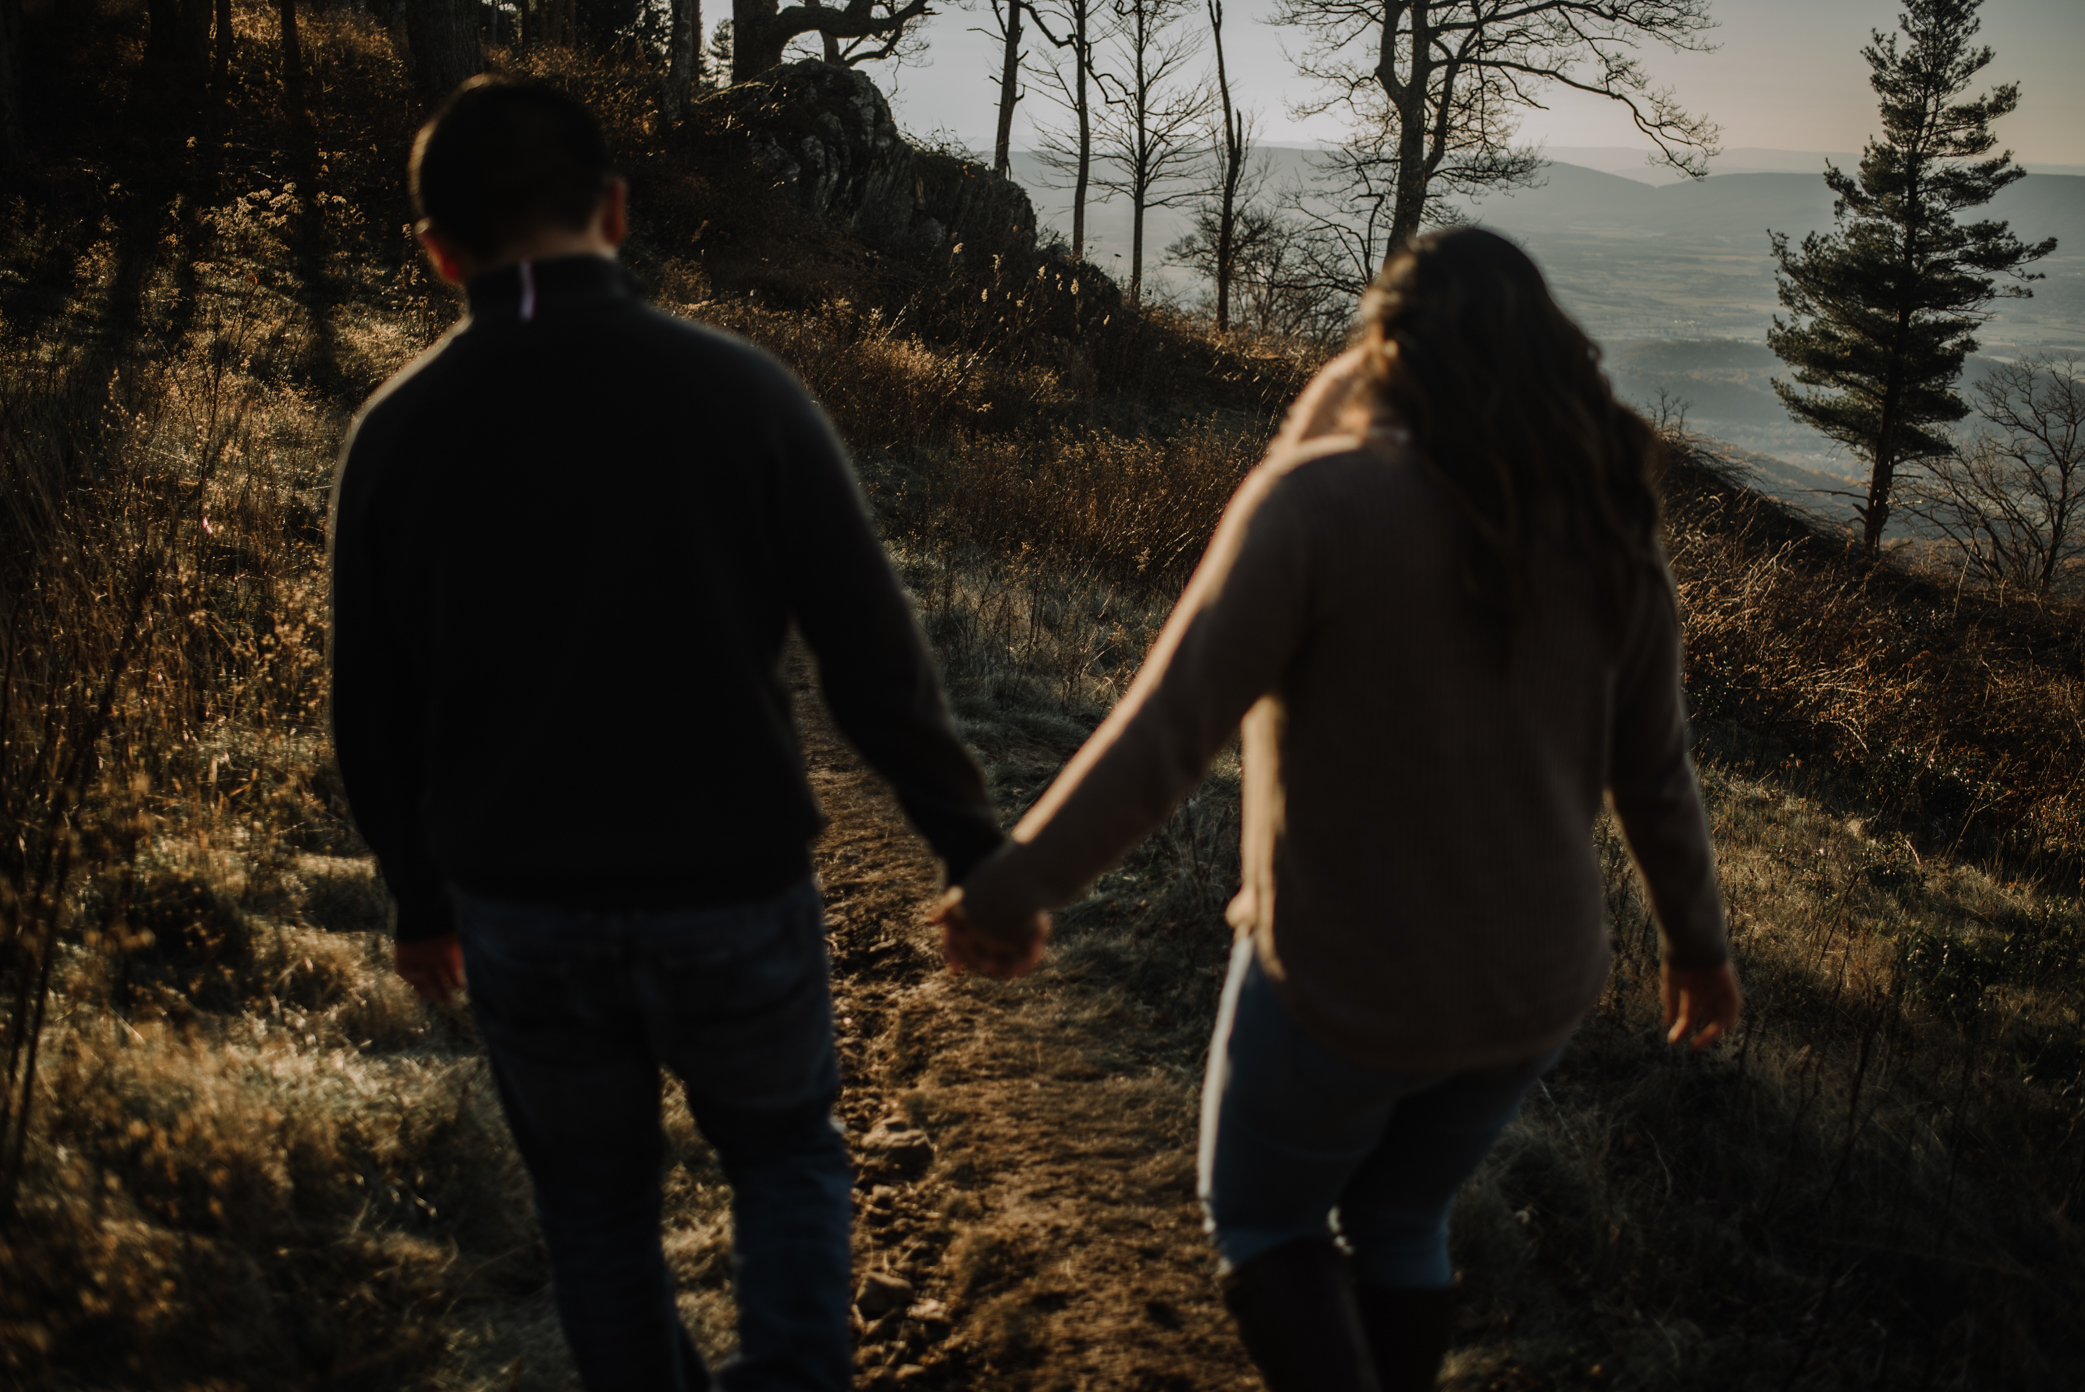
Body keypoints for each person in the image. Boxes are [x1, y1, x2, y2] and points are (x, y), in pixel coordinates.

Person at [936, 227, 1741, 1391]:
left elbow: (1170, 733)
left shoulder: (1318, 505)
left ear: (1386, 349)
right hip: (1532, 994)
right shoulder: (1611, 531)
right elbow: (1656, 776)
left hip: (1342, 983)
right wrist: (1699, 949)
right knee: (1402, 1222)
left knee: (1264, 1224)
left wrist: (1011, 891)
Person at [328, 78, 1005, 1392]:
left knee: (592, 1211)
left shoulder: (398, 437)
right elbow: (874, 665)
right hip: (732, 893)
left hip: (523, 909)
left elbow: (373, 705)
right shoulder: (743, 394)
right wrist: (971, 851)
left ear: (436, 250)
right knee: (785, 1155)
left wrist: (419, 894)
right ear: (618, 212)